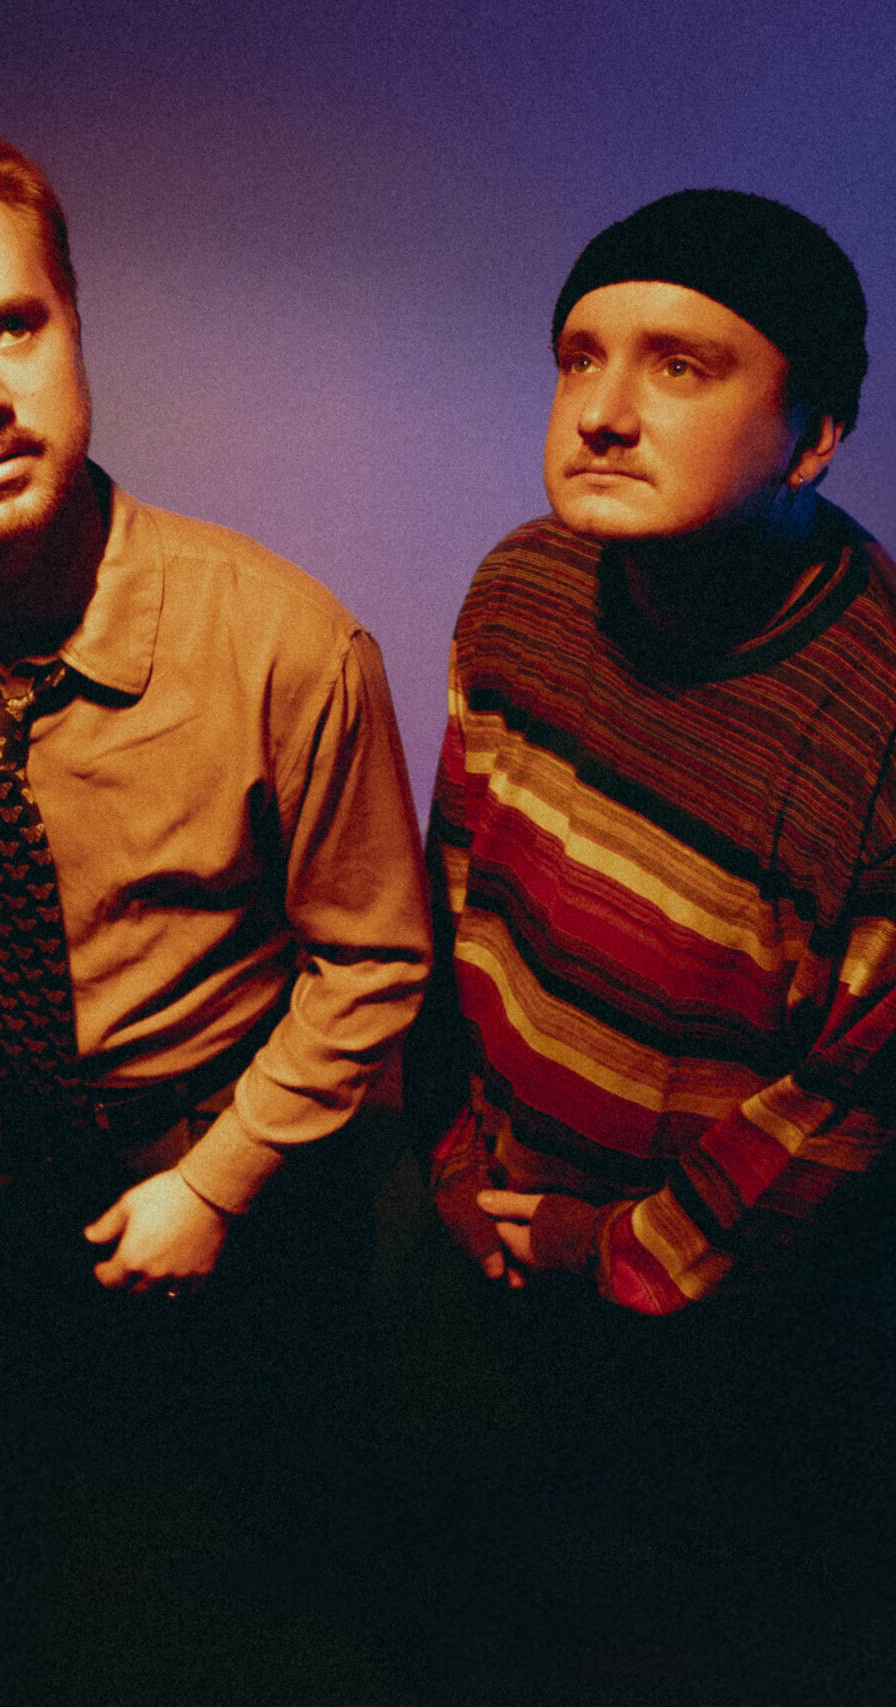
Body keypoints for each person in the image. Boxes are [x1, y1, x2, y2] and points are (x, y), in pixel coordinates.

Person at [0, 131, 427, 1637]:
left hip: (243, 1153)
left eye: (12, 327)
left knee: (303, 1497)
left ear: (75, 324)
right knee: (92, 1492)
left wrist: (213, 1185)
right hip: (8, 1147)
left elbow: (374, 961)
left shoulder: (288, 644)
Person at [405, 188, 896, 1676]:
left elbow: (842, 1106)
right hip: (495, 1236)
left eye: (681, 365)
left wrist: (612, 1252)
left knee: (683, 1631)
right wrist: (455, 1157)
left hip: (735, 1339)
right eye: (580, 357)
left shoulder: (878, 725)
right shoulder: (521, 589)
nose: (604, 412)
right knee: (477, 1590)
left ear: (813, 434)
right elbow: (456, 896)